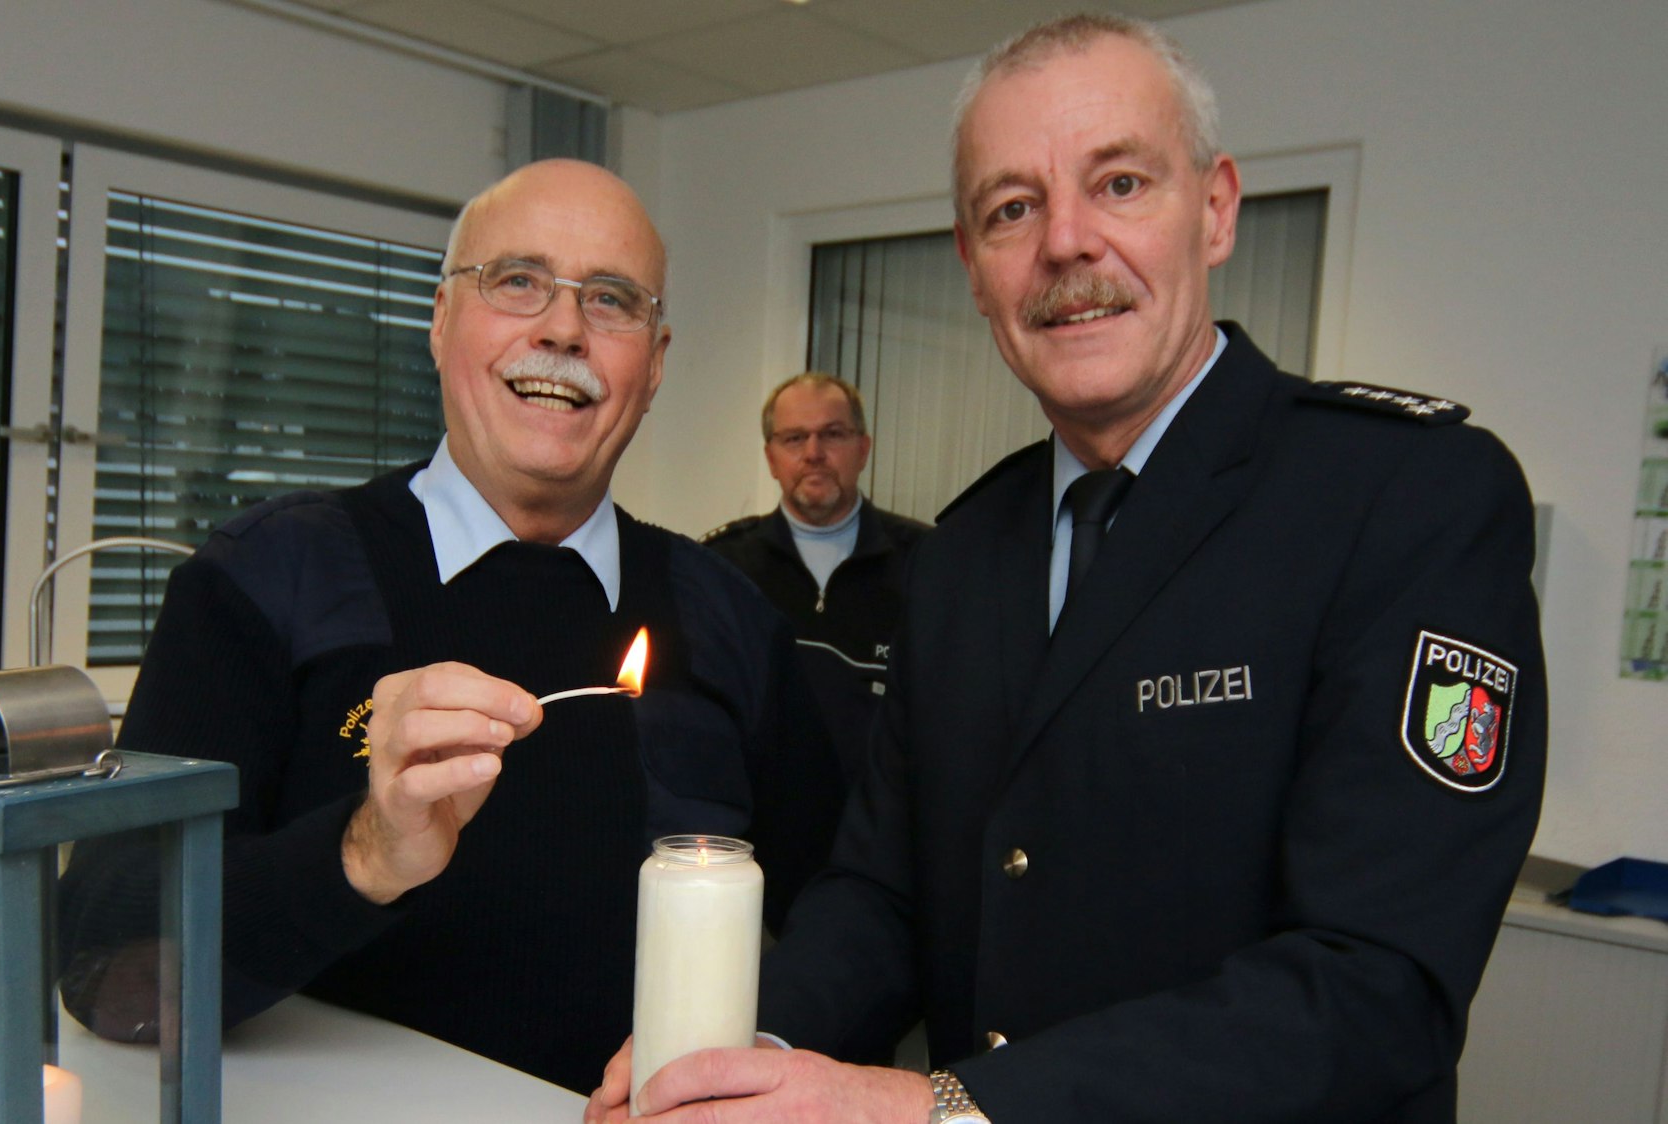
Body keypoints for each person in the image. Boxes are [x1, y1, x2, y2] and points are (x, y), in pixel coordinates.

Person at [588, 14, 1544, 1123]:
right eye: (1012, 208)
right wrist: (741, 1051)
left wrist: (939, 1106)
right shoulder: (962, 552)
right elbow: (882, 892)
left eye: (1121, 183)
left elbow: (1377, 984)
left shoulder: (1403, 497)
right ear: (973, 264)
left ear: (1217, 208)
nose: (1067, 244)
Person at [55, 159, 844, 1096]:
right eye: (516, 282)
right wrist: (360, 855)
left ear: (656, 362)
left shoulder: (729, 616)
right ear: (439, 323)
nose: (561, 329)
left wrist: (761, 1063)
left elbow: (849, 909)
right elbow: (104, 964)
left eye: (611, 300)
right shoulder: (269, 576)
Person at [702, 373, 929, 781]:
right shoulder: (723, 567)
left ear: (863, 449)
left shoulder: (926, 563)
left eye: (833, 434)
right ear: (771, 458)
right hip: (756, 829)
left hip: (878, 830)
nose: (814, 453)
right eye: (794, 439)